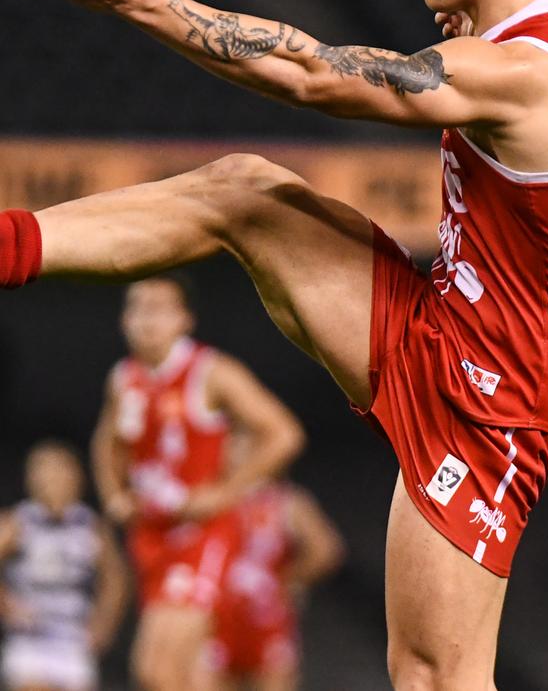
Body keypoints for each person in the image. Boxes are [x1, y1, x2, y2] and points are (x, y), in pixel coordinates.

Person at [11, 0, 548, 688]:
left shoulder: (529, 71)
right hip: (442, 325)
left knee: (432, 676)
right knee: (244, 194)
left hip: (495, 405)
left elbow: (313, 75)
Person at [91, 272, 305, 691]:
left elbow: (284, 433)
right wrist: (114, 495)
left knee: (156, 670)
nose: (144, 319)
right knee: (185, 676)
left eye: (157, 308)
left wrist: (226, 492)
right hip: (150, 537)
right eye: (135, 308)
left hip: (198, 534)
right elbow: (107, 442)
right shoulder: (124, 378)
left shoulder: (210, 371)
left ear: (184, 319)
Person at [195, 436, 345, 691]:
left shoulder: (286, 501)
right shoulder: (216, 497)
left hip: (267, 617)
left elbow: (327, 550)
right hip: (217, 617)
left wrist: (287, 578)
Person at [0, 441, 128, 691]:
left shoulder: (90, 526)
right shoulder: (18, 522)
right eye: (46, 473)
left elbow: (116, 578)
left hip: (73, 639)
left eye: (61, 473)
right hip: (31, 640)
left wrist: (104, 624)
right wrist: (7, 606)